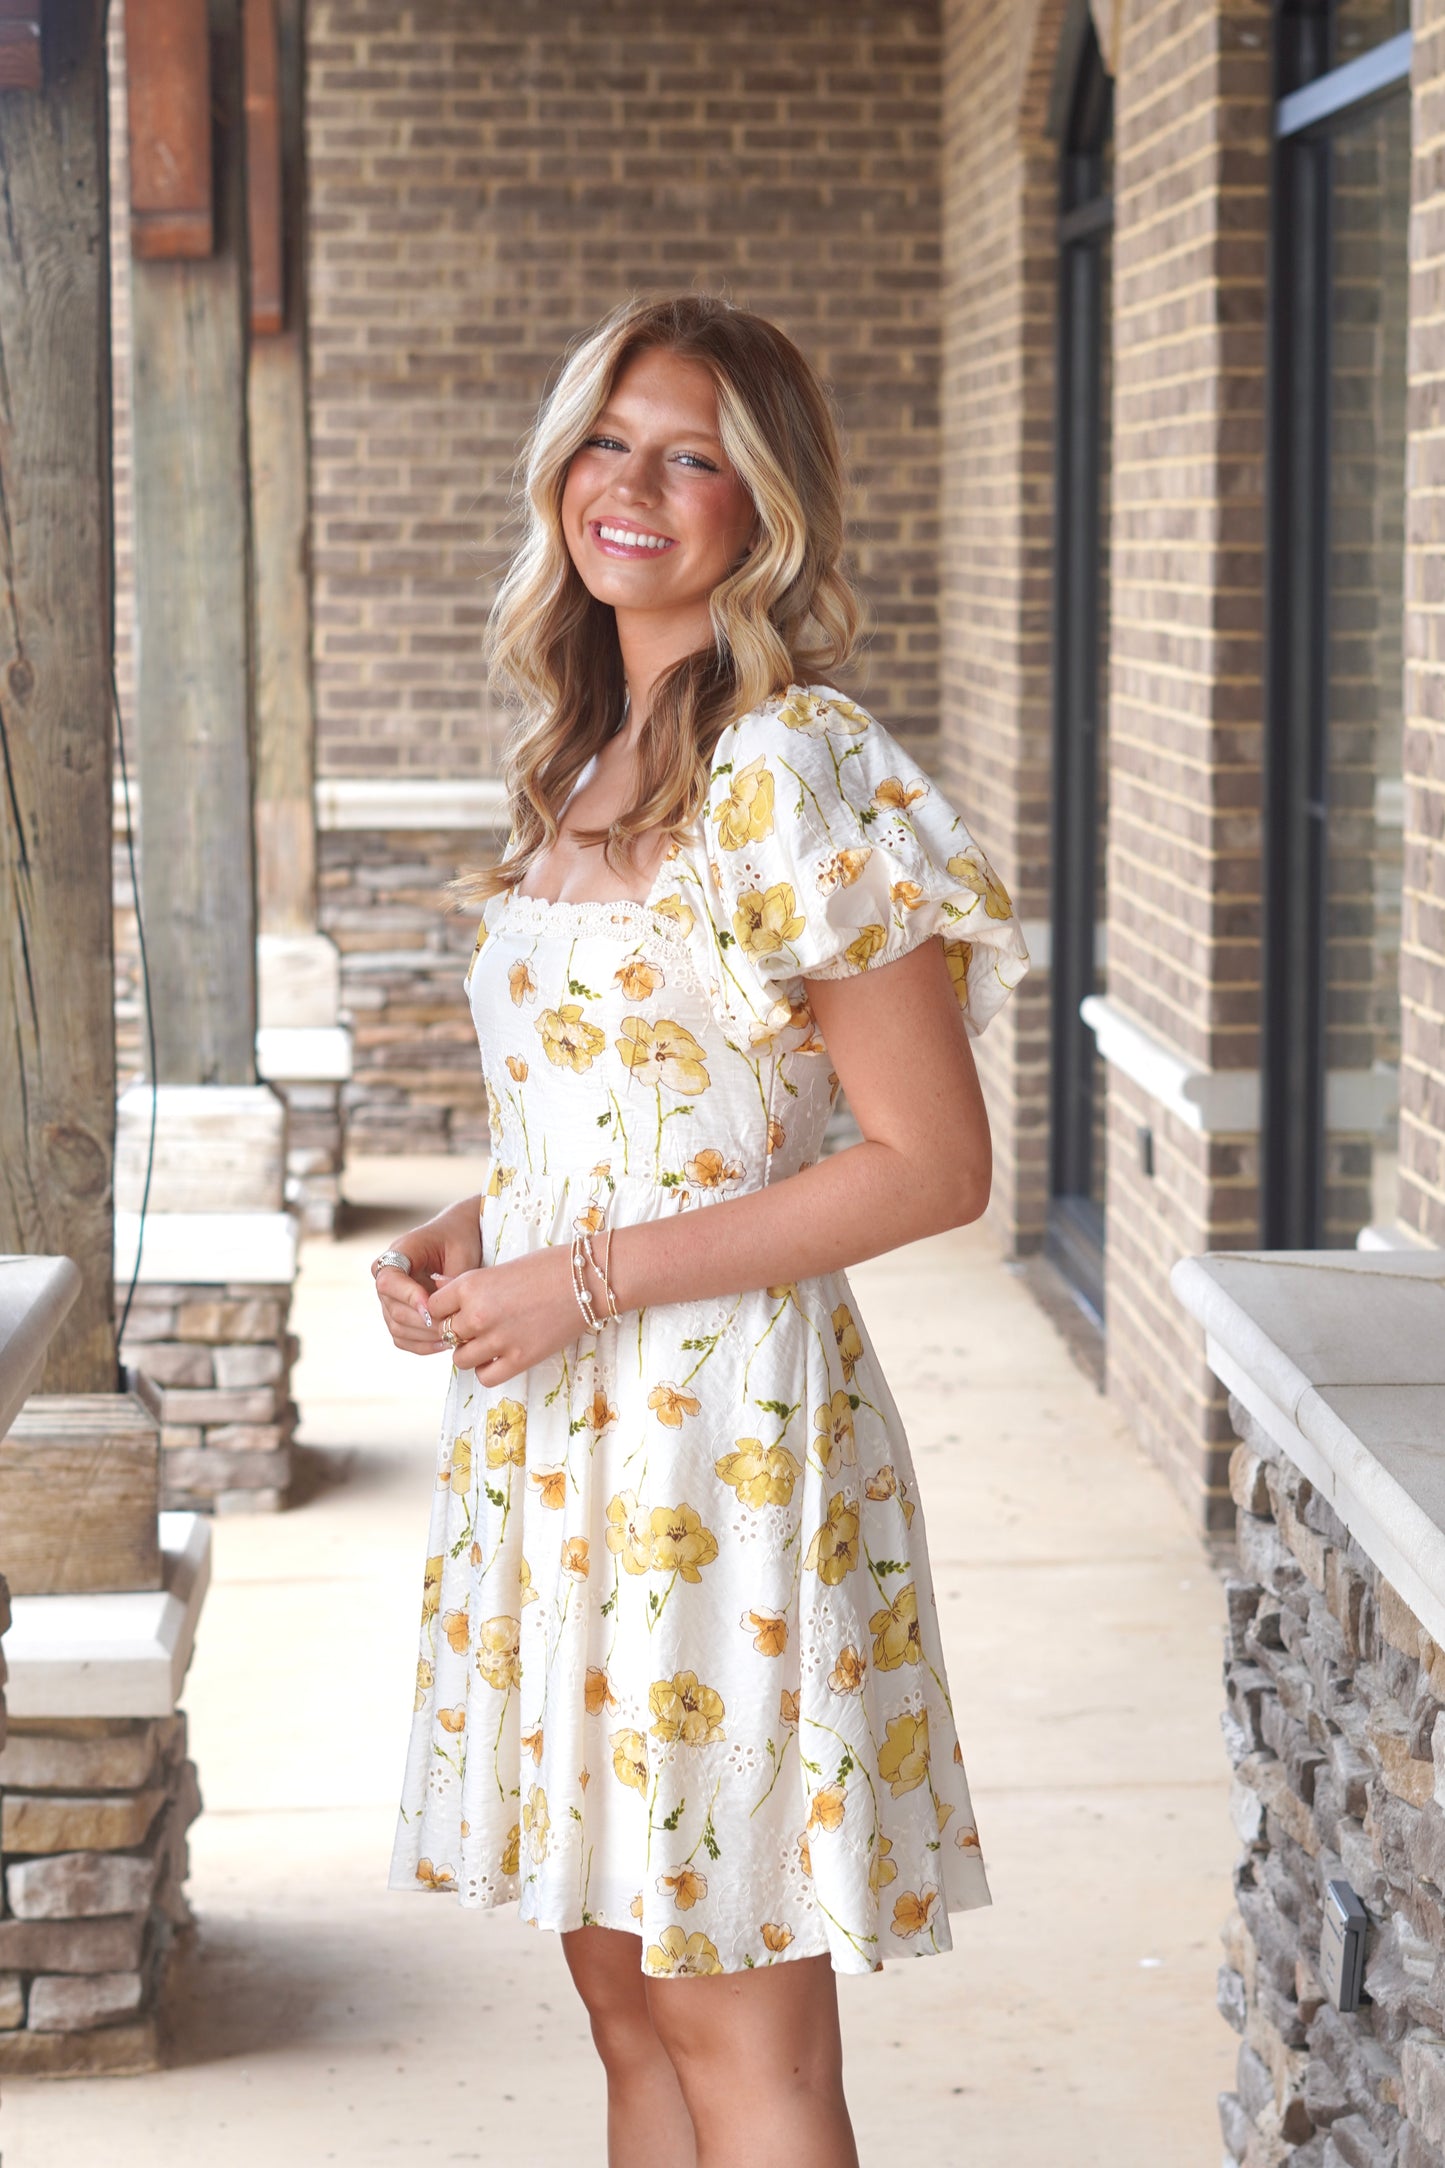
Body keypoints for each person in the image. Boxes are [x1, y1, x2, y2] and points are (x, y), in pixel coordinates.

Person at [373, 293, 1030, 2168]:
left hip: (718, 1449)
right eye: (609, 441)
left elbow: (929, 1164)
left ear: (764, 506)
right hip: (560, 1439)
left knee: (738, 2029)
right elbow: (651, 1115)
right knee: (625, 2008)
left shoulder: (790, 764)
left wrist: (577, 1279)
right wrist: (477, 1229)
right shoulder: (575, 753)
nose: (634, 488)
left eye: (692, 458)